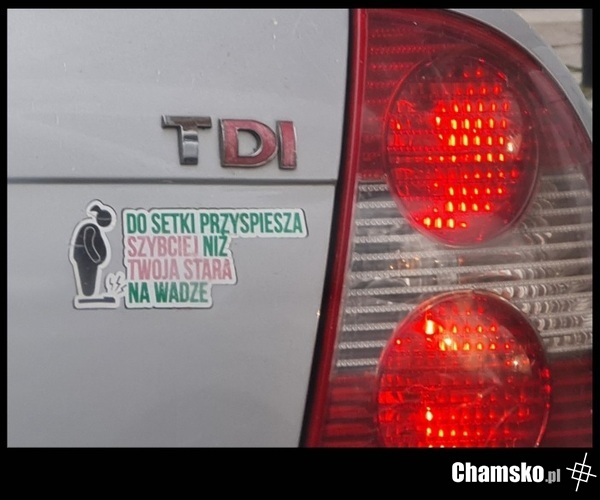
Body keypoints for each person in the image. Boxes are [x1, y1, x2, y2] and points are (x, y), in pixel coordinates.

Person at [69, 200, 117, 307]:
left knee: (89, 280)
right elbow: (89, 244)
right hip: (87, 261)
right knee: (87, 280)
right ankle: (88, 296)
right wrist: (97, 258)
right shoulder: (91, 228)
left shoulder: (93, 227)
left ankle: (89, 295)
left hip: (88, 260)